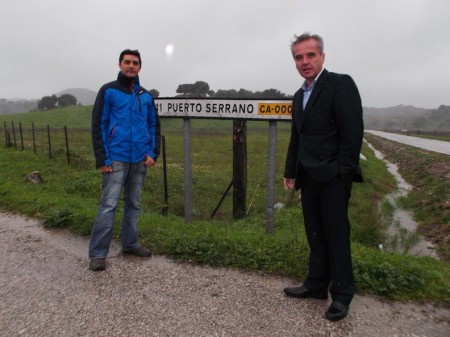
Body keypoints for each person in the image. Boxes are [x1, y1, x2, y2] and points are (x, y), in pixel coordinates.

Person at [282, 33, 363, 321]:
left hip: (333, 177)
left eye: (310, 55)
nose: (304, 62)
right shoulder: (298, 95)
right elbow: (297, 136)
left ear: (322, 57)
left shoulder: (340, 85)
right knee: (315, 233)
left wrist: (343, 172)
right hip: (308, 176)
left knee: (337, 236)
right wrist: (290, 170)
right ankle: (316, 285)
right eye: (299, 57)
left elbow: (353, 133)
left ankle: (342, 295)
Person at [89, 49, 161, 271]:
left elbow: (153, 126)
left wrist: (153, 152)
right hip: (115, 159)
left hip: (139, 159)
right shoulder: (108, 90)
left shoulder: (145, 96)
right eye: (127, 62)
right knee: (108, 205)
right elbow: (98, 124)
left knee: (134, 203)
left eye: (135, 63)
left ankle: (130, 244)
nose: (131, 66)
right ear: (120, 65)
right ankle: (98, 254)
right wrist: (102, 157)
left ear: (140, 67)